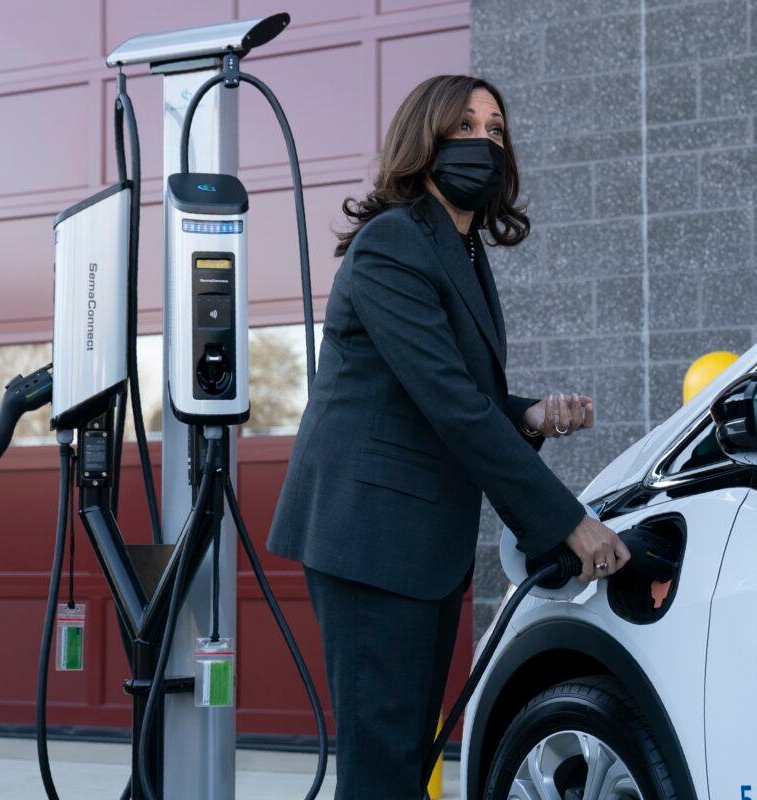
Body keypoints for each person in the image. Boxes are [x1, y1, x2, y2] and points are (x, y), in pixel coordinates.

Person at [267, 74, 630, 798]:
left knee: (402, 759)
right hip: (370, 537)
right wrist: (567, 523)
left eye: (496, 130)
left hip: (415, 540)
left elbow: (446, 393)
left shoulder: (460, 251)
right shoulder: (392, 244)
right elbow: (452, 406)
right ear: (424, 138)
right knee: (385, 767)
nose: (484, 142)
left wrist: (526, 413)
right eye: (465, 126)